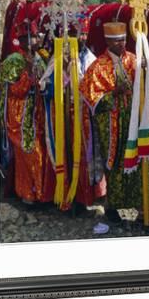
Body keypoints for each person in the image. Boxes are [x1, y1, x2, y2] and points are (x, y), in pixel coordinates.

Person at [38, 16, 103, 212]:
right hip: (60, 113)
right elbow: (44, 85)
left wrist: (75, 76)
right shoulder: (56, 58)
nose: (78, 38)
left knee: (81, 155)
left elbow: (94, 88)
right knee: (61, 152)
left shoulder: (89, 59)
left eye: (81, 34)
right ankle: (60, 194)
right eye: (73, 34)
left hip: (82, 116)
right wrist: (63, 75)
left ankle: (81, 197)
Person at [79, 22, 141, 223]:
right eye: (117, 41)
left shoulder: (134, 60)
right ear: (108, 41)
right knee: (115, 165)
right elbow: (91, 98)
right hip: (111, 124)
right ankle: (113, 206)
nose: (122, 44)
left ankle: (140, 204)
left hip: (133, 120)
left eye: (123, 40)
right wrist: (113, 93)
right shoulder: (98, 66)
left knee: (136, 162)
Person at [0, 18, 55, 204]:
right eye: (28, 38)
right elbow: (13, 90)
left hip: (39, 113)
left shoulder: (41, 57)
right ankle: (28, 194)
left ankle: (43, 193)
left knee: (44, 150)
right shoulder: (14, 60)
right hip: (21, 115)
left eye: (34, 37)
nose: (32, 41)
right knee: (31, 152)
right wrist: (28, 75)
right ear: (21, 40)